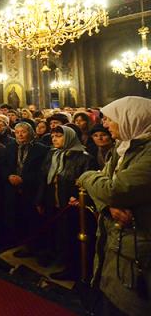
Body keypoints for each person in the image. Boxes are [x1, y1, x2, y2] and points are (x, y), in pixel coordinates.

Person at [78, 96, 151, 316]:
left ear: (130, 118)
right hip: (115, 245)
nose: (106, 125)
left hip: (138, 249)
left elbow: (113, 189)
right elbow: (107, 191)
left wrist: (85, 176)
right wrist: (108, 207)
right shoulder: (122, 147)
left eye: (110, 119)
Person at [38, 125, 97, 280]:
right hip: (54, 202)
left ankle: (74, 269)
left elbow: (87, 183)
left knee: (72, 237)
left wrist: (78, 198)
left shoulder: (85, 157)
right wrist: (40, 199)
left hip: (72, 205)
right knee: (58, 234)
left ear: (69, 137)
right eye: (53, 136)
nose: (54, 139)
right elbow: (44, 178)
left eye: (59, 135)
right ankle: (59, 258)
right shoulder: (53, 154)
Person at [5, 122, 49, 253]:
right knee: (17, 217)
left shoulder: (41, 149)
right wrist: (9, 176)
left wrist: (24, 179)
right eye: (17, 132)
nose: (20, 135)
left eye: (23, 132)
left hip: (31, 189)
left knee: (31, 220)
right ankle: (19, 242)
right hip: (13, 189)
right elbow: (4, 165)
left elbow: (42, 172)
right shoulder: (10, 147)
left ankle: (33, 247)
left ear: (30, 133)